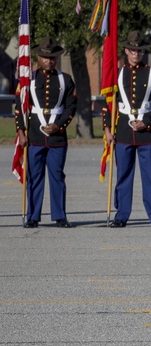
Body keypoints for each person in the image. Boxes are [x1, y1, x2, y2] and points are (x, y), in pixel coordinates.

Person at [103, 31, 151, 228]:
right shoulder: (117, 74)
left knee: (150, 176)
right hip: (123, 130)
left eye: (139, 51)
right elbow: (108, 104)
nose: (136, 54)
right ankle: (121, 215)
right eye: (132, 50)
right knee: (123, 175)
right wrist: (107, 128)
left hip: (147, 132)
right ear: (126, 51)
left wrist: (146, 122)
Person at [14, 37, 77, 229]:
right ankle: (33, 216)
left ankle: (60, 216)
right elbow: (19, 107)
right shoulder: (28, 80)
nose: (49, 61)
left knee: (57, 176)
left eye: (52, 58)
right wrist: (21, 133)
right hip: (34, 135)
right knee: (34, 177)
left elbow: (71, 107)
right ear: (38, 58)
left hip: (57, 137)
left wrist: (59, 125)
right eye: (44, 57)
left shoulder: (65, 80)